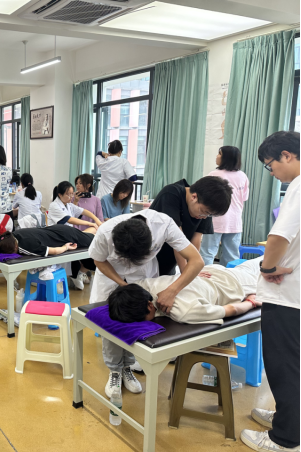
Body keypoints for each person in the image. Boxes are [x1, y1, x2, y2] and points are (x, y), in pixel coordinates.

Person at [89, 209, 204, 398]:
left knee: (139, 319)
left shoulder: (164, 224)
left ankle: (128, 367)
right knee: (112, 322)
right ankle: (115, 371)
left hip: (144, 276)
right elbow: (98, 260)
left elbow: (196, 261)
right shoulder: (105, 232)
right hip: (111, 277)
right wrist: (123, 285)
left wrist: (172, 290)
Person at [240, 131, 300, 452]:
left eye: (270, 165)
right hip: (296, 294)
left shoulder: (298, 187)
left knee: (283, 365)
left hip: (287, 295)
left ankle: (285, 439)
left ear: (287, 156)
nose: (272, 172)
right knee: (293, 362)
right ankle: (288, 418)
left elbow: (278, 238)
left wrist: (266, 268)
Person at [108, 257, 262, 324]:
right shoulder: (141, 286)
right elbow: (125, 290)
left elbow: (232, 309)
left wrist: (251, 302)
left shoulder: (182, 311)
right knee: (259, 262)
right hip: (210, 272)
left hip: (236, 285)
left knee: (267, 266)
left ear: (149, 306)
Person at [150, 176, 232, 276]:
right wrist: (186, 272)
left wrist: (192, 268)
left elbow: (196, 240)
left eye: (209, 215)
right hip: (148, 257)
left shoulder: (205, 208)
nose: (204, 217)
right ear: (194, 197)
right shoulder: (171, 194)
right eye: (204, 212)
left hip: (169, 263)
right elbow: (177, 239)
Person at [199, 146, 249, 267]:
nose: (217, 156)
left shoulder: (214, 174)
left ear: (226, 157)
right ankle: (230, 277)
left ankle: (204, 276)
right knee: (232, 255)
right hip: (235, 221)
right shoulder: (242, 176)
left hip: (215, 219)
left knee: (207, 253)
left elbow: (204, 196)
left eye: (219, 154)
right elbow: (244, 198)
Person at [0, 224, 97, 260]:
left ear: (15, 247)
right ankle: (94, 229)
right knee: (84, 235)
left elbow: (54, 251)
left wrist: (65, 247)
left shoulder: (26, 245)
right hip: (58, 229)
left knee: (94, 239)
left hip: (65, 236)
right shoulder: (14, 234)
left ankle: (99, 228)